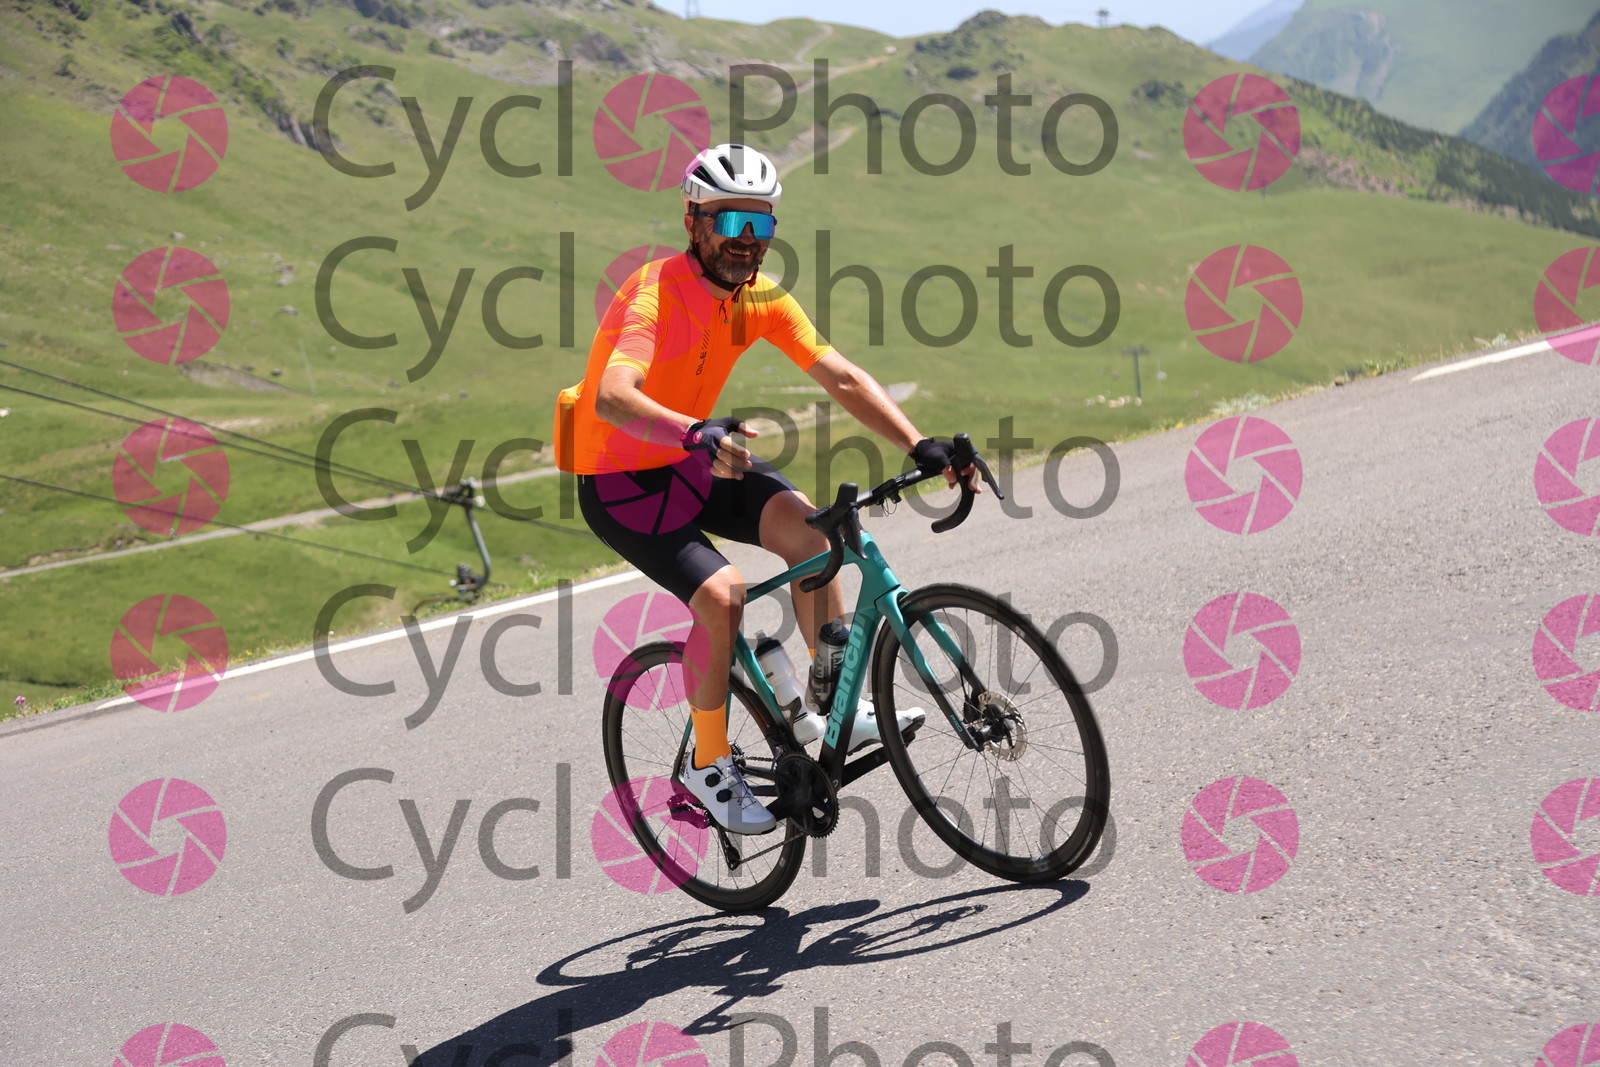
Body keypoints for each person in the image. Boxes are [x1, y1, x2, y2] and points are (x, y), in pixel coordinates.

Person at [555, 144, 973, 834]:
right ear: (693, 222)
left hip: (694, 458)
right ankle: (706, 763)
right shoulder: (651, 293)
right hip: (622, 480)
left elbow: (840, 375)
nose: (746, 240)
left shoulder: (761, 299)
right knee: (723, 596)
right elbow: (612, 395)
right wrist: (694, 431)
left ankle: (832, 707)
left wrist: (918, 443)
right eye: (730, 222)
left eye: (761, 223)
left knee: (818, 537)